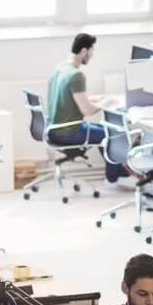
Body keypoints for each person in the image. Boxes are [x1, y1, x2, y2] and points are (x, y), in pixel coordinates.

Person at [46, 33, 131, 189]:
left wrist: (97, 99)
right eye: (92, 51)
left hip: (54, 128)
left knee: (106, 131)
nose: (92, 55)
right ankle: (114, 179)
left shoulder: (61, 69)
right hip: (69, 131)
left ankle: (118, 174)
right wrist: (105, 103)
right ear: (84, 51)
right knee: (113, 135)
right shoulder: (76, 75)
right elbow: (87, 110)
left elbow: (72, 98)